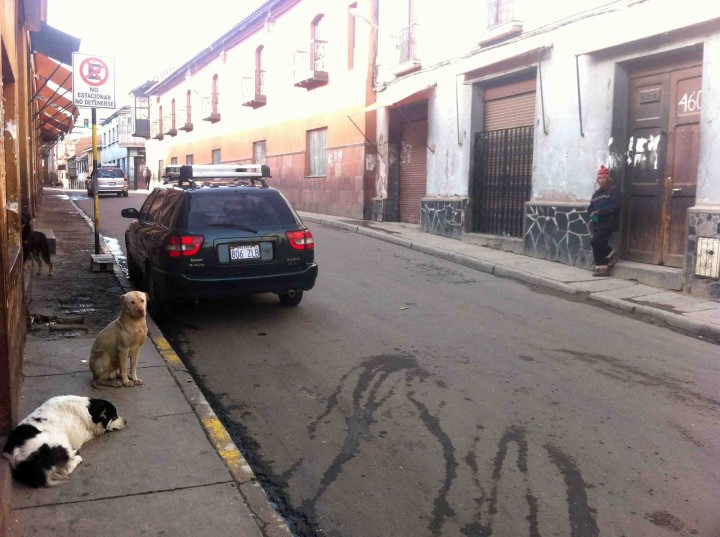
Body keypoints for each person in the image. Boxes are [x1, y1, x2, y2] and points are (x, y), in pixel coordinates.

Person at [587, 165, 621, 277]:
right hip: (597, 222)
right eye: (599, 179)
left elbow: (616, 206)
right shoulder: (596, 193)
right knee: (597, 244)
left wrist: (601, 212)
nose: (601, 180)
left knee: (595, 241)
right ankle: (601, 268)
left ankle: (611, 253)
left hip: (608, 221)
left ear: (608, 178)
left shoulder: (613, 190)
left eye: (603, 178)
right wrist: (591, 212)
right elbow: (590, 207)